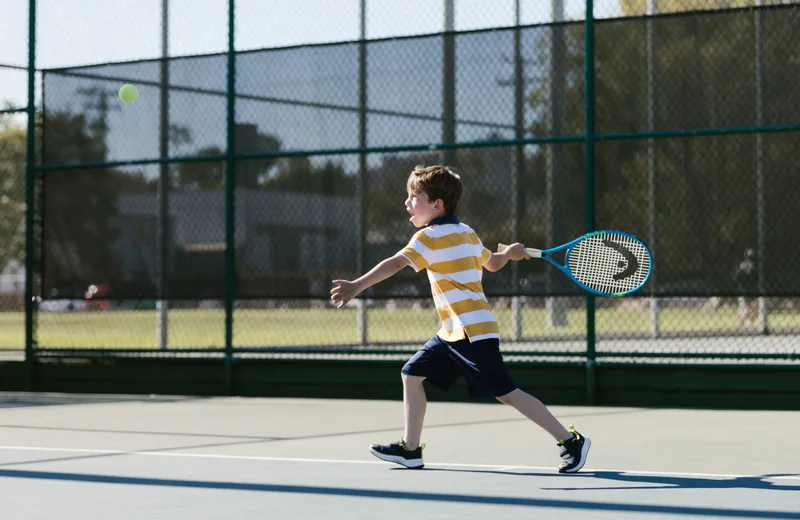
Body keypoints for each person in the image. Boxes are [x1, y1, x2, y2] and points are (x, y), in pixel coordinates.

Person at [330, 165, 590, 473]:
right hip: (452, 332)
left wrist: (356, 286)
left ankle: (570, 441)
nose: (407, 203)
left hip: (473, 332)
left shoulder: (428, 238)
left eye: (414, 197)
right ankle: (410, 450)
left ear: (437, 205)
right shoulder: (466, 232)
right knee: (411, 375)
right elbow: (492, 263)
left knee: (506, 393)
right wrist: (508, 253)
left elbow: (395, 263)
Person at [735, 248, 758, 327]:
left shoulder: (741, 265)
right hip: (752, 290)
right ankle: (749, 322)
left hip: (743, 289)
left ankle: (742, 322)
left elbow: (737, 277)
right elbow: (757, 279)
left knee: (746, 306)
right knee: (753, 307)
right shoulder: (755, 266)